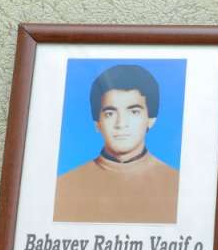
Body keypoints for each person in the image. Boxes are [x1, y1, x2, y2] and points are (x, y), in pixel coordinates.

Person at [53, 64, 180, 224]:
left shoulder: (177, 185)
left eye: (134, 112)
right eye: (110, 113)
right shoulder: (64, 187)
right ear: (97, 123)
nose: (121, 124)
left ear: (151, 119)